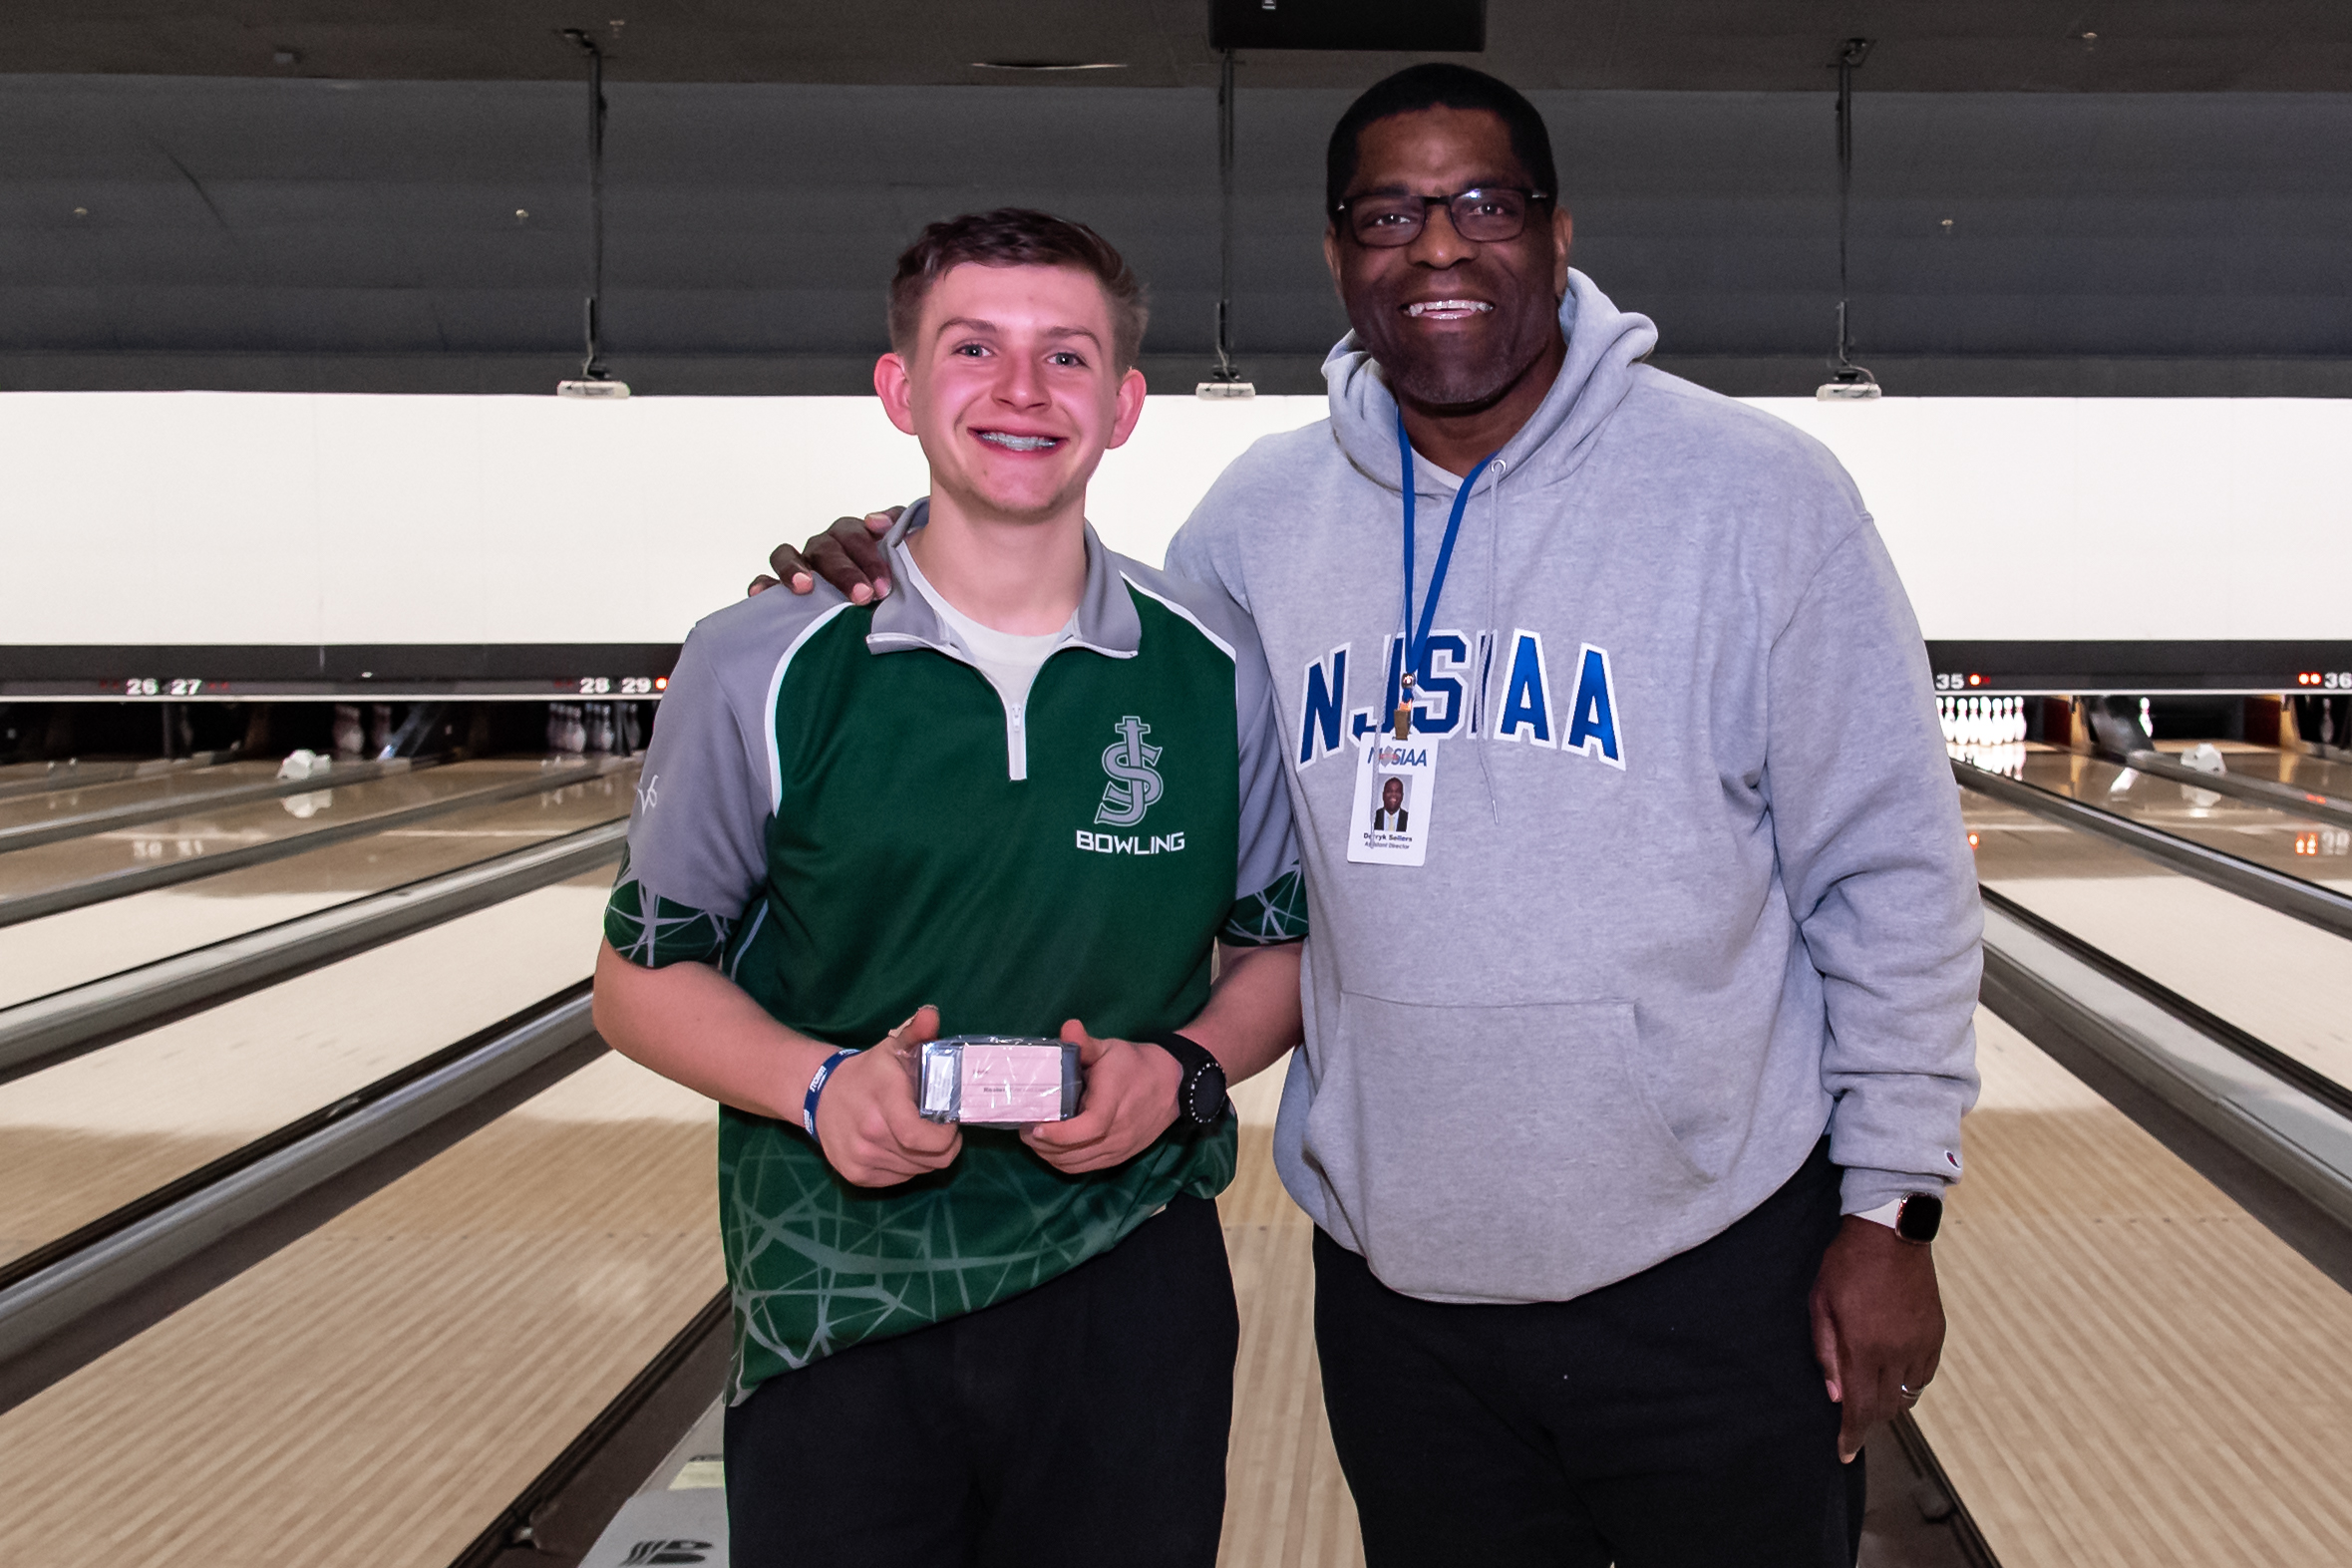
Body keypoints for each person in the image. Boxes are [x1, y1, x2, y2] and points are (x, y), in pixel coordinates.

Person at [763, 65, 1980, 1568]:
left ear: (1556, 228)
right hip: (1402, 1298)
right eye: (1391, 213)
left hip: (1714, 1271)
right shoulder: (1260, 523)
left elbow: (1897, 877)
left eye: (1484, 204)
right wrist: (881, 568)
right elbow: (1075, 652)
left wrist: (1895, 1209)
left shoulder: (1759, 498)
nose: (1441, 248)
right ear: (1341, 256)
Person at [596, 207, 1309, 1568]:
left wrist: (1185, 1067)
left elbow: (1278, 952)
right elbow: (634, 981)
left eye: (1069, 356)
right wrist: (818, 1084)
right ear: (902, 387)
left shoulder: (1214, 661)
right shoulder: (761, 658)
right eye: (974, 347)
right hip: (836, 1292)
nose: (1024, 391)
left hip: (1129, 1278)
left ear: (1126, 404)